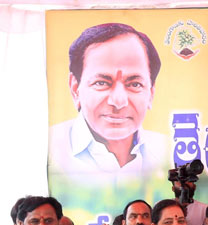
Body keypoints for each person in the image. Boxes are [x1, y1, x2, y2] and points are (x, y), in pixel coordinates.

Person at [48, 23, 166, 179]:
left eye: (135, 84)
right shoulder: (46, 148)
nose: (118, 101)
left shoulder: (168, 151)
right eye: (102, 83)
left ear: (151, 92)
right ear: (75, 88)